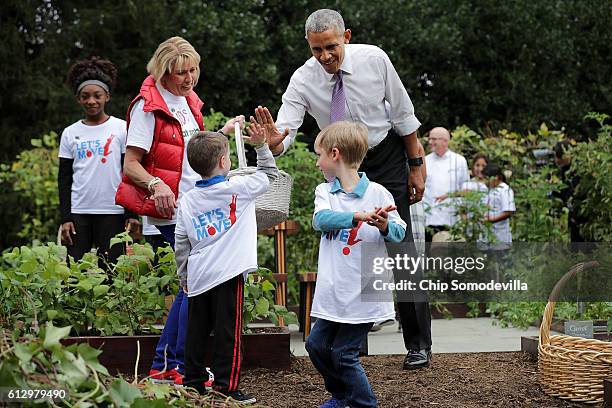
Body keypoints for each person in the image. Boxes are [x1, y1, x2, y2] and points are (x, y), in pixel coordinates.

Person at [252, 8, 432, 370]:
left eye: (331, 47)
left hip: (385, 158)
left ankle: (418, 343)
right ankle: (354, 343)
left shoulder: (374, 59)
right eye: (317, 49)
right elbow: (284, 133)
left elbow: (402, 114)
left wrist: (415, 165)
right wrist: (272, 142)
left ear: (346, 36)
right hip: (341, 167)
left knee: (400, 246)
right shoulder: (303, 80)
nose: (325, 57)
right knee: (350, 249)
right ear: (309, 44)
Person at [115, 36, 244, 385]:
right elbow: (131, 165)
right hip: (172, 210)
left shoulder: (187, 100)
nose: (189, 78)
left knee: (192, 287)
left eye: (193, 70)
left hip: (195, 204)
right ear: (162, 72)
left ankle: (166, 364)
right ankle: (173, 364)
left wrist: (222, 133)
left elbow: (186, 154)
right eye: (180, 73)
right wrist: (156, 185)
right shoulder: (148, 107)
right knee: (197, 286)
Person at [306, 121, 406, 408]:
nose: (317, 163)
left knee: (343, 354)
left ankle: (363, 403)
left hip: (364, 291)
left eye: (320, 155)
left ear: (334, 154)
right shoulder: (325, 192)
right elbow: (320, 220)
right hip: (334, 291)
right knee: (315, 345)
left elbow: (399, 234)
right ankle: (342, 397)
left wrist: (385, 224)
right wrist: (356, 217)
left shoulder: (378, 193)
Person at [176, 123, 277, 403]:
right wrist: (260, 146)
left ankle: (192, 383)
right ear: (223, 162)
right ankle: (225, 388)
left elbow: (181, 240)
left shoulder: (188, 199)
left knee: (195, 333)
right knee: (227, 334)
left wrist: (183, 275)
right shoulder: (240, 188)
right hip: (229, 274)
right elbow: (269, 174)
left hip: (198, 275)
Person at [58, 57, 139, 265]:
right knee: (74, 272)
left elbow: (129, 172)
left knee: (112, 272)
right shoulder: (70, 133)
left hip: (113, 211)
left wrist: (131, 213)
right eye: (85, 96)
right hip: (79, 213)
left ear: (107, 97)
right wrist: (66, 217)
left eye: (97, 96)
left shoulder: (121, 128)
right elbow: (64, 179)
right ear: (78, 99)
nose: (91, 101)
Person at [423, 127, 469, 241]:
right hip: (429, 218)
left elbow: (465, 188)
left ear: (445, 141)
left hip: (452, 218)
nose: (430, 142)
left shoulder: (459, 160)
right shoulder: (425, 161)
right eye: (429, 139)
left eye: (434, 139)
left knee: (452, 256)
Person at [552, 140, 585, 242]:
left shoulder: (579, 168)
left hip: (581, 213)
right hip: (572, 213)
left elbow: (576, 192)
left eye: (557, 157)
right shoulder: (565, 169)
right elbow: (565, 191)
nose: (556, 160)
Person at [482, 164, 516, 248]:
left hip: (500, 236)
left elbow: (508, 212)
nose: (485, 182)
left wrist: (492, 219)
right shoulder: (488, 189)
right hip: (486, 236)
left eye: (487, 179)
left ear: (496, 177)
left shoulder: (505, 190)